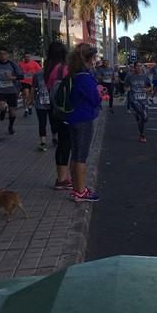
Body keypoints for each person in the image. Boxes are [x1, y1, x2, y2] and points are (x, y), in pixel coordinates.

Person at [67, 43, 101, 202]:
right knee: (81, 156)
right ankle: (81, 191)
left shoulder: (74, 75)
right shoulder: (84, 77)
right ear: (90, 59)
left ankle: (76, 188)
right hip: (84, 119)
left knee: (75, 155)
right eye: (94, 57)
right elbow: (95, 100)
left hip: (73, 118)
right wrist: (99, 93)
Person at [43, 41, 72, 190]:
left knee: (62, 143)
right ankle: (63, 178)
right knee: (66, 144)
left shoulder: (48, 68)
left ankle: (62, 177)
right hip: (65, 110)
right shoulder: (63, 68)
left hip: (54, 109)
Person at [0, 47, 22, 135]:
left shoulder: (12, 64)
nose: (2, 56)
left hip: (11, 90)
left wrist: (12, 78)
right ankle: (3, 111)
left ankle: (11, 126)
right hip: (0, 90)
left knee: (12, 112)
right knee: (1, 106)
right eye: (1, 54)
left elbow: (21, 76)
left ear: (8, 55)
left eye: (4, 54)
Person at [125, 61, 152, 143]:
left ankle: (141, 133)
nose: (139, 68)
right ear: (134, 67)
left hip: (143, 99)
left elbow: (150, 87)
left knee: (144, 118)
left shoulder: (145, 77)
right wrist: (127, 89)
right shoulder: (130, 77)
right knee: (143, 115)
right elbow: (125, 86)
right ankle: (142, 135)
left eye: (140, 66)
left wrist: (146, 89)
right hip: (134, 99)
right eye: (137, 66)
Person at [33, 67, 54, 151]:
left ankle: (54, 137)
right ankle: (43, 142)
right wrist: (31, 99)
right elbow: (33, 87)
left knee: (53, 122)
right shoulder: (37, 75)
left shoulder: (56, 74)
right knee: (42, 122)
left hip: (53, 103)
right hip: (40, 103)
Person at [19, 51, 42, 117]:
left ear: (30, 57)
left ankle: (29, 107)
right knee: (26, 94)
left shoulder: (34, 63)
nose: (27, 58)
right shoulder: (20, 64)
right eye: (26, 57)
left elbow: (40, 71)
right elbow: (17, 72)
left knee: (31, 97)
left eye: (28, 57)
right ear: (24, 57)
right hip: (24, 82)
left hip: (32, 82)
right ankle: (26, 109)